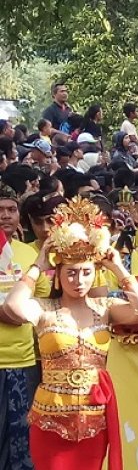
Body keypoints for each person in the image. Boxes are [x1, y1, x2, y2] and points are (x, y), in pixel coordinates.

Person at [2, 197, 138, 469]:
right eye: (70, 273)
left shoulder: (105, 308)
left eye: (86, 273)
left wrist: (117, 268)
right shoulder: (44, 309)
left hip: (93, 420)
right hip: (50, 421)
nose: (78, 281)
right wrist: (38, 263)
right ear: (57, 275)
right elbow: (13, 305)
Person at [0, 183, 51, 470]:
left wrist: (15, 311)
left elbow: (43, 299)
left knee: (22, 447)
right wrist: (11, 310)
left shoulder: (29, 254)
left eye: (11, 209)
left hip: (24, 361)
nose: (6, 215)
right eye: (0, 210)